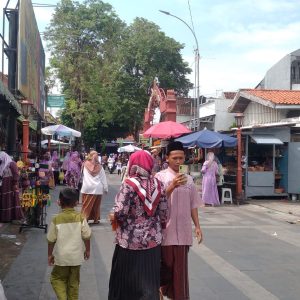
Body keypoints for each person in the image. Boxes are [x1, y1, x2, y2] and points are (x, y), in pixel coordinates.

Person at [108, 150, 168, 300]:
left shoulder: (128, 184)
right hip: (152, 243)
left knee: (125, 282)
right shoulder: (159, 185)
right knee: (148, 282)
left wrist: (113, 216)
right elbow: (164, 214)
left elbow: (120, 211)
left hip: (128, 242)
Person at [155, 141, 203, 300]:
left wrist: (197, 226)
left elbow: (193, 205)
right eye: (174, 158)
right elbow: (157, 201)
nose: (178, 161)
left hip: (183, 231)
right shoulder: (160, 177)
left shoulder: (189, 180)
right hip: (165, 230)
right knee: (166, 266)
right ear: (167, 158)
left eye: (181, 158)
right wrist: (172, 186)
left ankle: (179, 296)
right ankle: (161, 290)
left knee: (180, 269)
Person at [47, 188, 91, 300]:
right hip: (76, 258)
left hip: (61, 258)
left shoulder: (56, 219)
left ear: (59, 202)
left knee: (57, 278)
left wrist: (49, 255)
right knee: (74, 283)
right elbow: (87, 236)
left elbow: (51, 240)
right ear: (76, 203)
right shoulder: (81, 218)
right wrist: (88, 250)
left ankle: (63, 297)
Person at [81, 151, 108, 224]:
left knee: (86, 204)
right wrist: (105, 188)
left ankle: (84, 218)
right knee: (96, 205)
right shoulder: (100, 167)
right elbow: (103, 178)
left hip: (87, 187)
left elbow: (82, 175)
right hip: (98, 188)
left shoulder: (85, 164)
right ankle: (96, 219)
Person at [0, 151, 23, 222]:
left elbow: (16, 174)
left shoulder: (12, 163)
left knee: (11, 200)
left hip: (11, 186)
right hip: (4, 186)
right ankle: (5, 217)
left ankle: (11, 217)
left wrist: (15, 184)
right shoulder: (2, 165)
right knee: (4, 201)